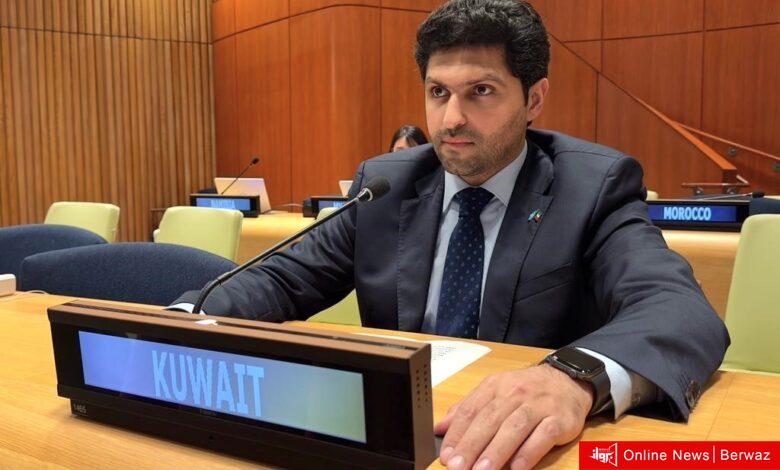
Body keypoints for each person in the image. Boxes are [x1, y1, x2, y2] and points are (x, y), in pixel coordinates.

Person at [173, 1, 728, 468]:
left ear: (534, 99)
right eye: (438, 92)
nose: (451, 119)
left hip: (523, 448)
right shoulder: (386, 184)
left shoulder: (591, 187)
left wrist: (571, 379)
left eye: (481, 91)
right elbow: (281, 279)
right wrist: (182, 320)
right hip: (399, 438)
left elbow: (677, 310)